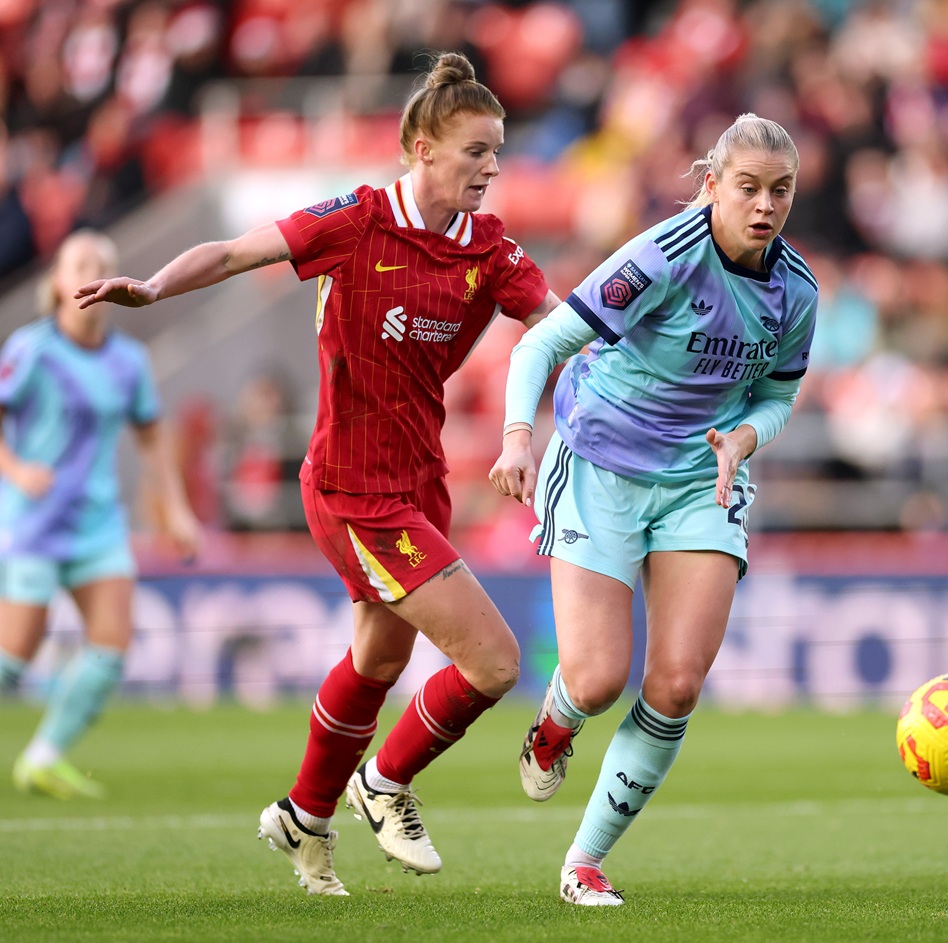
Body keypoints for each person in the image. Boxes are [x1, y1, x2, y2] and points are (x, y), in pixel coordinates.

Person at [76, 52, 559, 895]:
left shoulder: (489, 251)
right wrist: (153, 287)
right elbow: (235, 252)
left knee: (377, 659)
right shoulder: (357, 220)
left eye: (497, 152)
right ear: (422, 148)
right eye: (476, 151)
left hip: (420, 481)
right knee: (493, 662)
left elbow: (564, 327)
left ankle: (304, 815)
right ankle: (386, 782)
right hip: (351, 485)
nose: (491, 168)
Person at [490, 113, 817, 906]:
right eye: (748, 187)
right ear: (712, 185)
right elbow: (541, 343)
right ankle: (557, 719)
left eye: (780, 190)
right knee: (598, 678)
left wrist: (744, 437)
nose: (765, 205)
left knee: (675, 685)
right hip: (601, 464)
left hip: (702, 478)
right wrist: (517, 437)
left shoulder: (797, 291)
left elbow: (778, 396)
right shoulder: (660, 258)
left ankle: (584, 861)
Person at [0, 230, 200, 799]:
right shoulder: (31, 349)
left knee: (110, 648)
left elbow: (151, 437)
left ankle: (42, 758)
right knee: (13, 657)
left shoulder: (129, 360)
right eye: (79, 262)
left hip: (97, 524)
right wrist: (16, 470)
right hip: (33, 521)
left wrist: (176, 510)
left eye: (102, 262)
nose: (91, 269)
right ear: (57, 282)